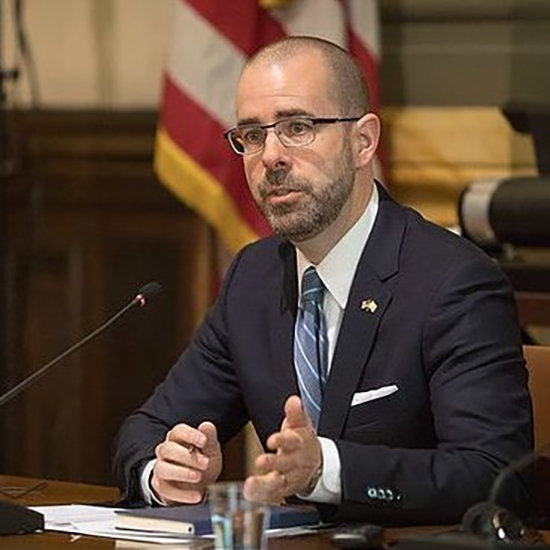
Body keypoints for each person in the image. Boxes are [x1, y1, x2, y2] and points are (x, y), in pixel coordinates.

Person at [114, 36, 532, 525]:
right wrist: (163, 471)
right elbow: (146, 430)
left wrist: (326, 469)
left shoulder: (453, 282)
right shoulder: (253, 277)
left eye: (298, 127)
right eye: (252, 135)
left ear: (363, 141)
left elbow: (496, 476)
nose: (270, 156)